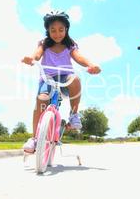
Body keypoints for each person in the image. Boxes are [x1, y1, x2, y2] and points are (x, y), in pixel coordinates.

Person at [21, 10, 101, 153]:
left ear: (66, 29)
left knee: (75, 79)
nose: (57, 33)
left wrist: (91, 64)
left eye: (61, 30)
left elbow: (79, 57)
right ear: (47, 30)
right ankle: (34, 138)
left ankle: (74, 114)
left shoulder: (70, 45)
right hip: (48, 79)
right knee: (41, 100)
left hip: (66, 79)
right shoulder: (44, 43)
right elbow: (37, 55)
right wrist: (31, 59)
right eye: (53, 30)